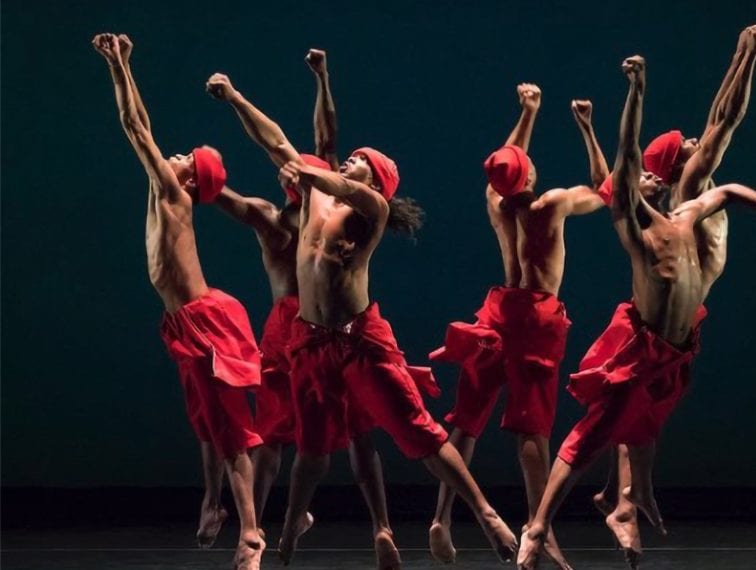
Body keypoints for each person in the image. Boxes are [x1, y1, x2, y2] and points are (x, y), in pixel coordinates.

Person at [517, 54, 756, 570]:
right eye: (685, 149)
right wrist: (637, 87)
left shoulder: (689, 207)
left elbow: (729, 182)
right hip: (646, 338)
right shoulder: (637, 219)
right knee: (596, 432)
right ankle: (539, 527)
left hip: (678, 343)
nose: (697, 144)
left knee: (645, 426)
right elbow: (629, 156)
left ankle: (626, 500)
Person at [276, 137, 517, 564]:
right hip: (312, 342)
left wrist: (304, 170)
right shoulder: (317, 200)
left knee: (417, 430)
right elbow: (277, 140)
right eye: (349, 158)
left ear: (377, 181)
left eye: (360, 161)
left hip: (360, 341)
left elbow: (342, 184)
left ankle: (485, 512)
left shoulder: (372, 209)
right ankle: (291, 529)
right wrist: (235, 99)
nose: (350, 161)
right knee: (311, 447)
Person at [205, 50, 401, 569]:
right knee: (289, 436)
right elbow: (277, 151)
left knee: (335, 435)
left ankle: (283, 528)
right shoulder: (282, 217)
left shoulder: (328, 205)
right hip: (295, 329)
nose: (289, 171)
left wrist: (320, 79)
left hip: (319, 325)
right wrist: (206, 171)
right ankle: (260, 530)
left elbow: (318, 141)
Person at [93, 33, 267, 569]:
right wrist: (122, 62)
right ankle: (212, 504)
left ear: (191, 177)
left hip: (206, 321)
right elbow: (144, 125)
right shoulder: (163, 187)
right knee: (206, 425)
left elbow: (135, 127)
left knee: (232, 431)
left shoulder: (172, 192)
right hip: (183, 320)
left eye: (186, 157)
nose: (176, 153)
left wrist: (119, 63)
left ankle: (252, 534)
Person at [428, 83, 608, 569]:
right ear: (528, 172)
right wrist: (588, 130)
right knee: (532, 426)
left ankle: (442, 517)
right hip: (534, 320)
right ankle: (538, 527)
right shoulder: (551, 203)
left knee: (466, 421)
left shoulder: (496, 201)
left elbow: (506, 166)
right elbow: (606, 189)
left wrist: (527, 111)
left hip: (496, 312)